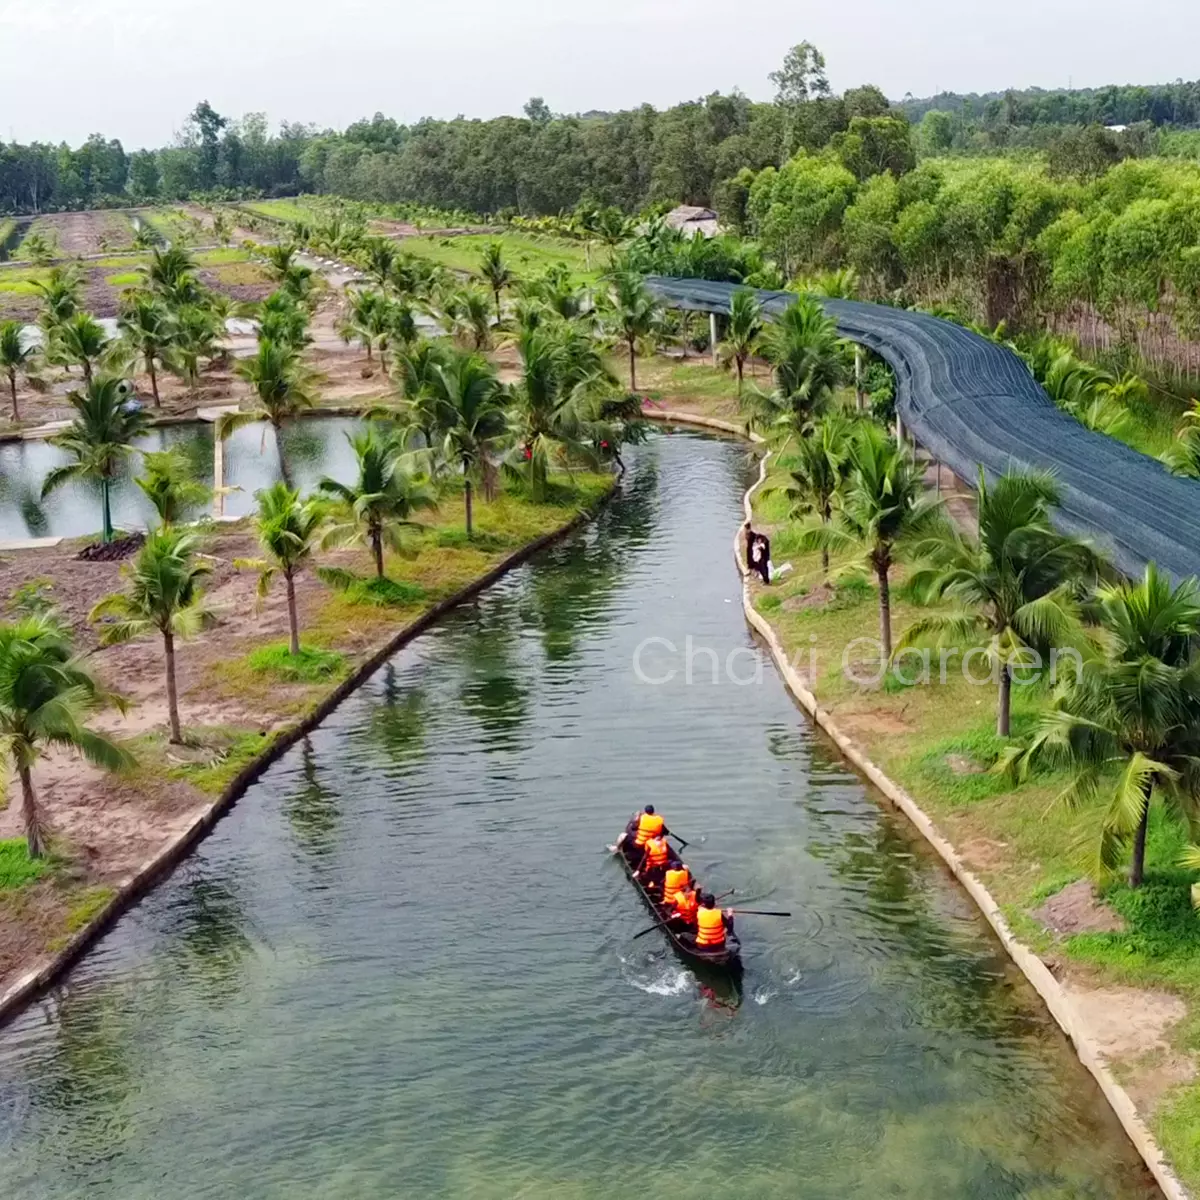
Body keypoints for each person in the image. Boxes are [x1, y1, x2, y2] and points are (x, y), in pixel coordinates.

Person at [635, 834, 671, 898]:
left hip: (661, 868)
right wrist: (638, 870)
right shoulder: (651, 845)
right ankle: (654, 884)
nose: (659, 841)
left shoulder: (663, 843)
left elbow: (671, 854)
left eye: (660, 839)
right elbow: (644, 858)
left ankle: (656, 886)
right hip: (653, 869)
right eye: (658, 839)